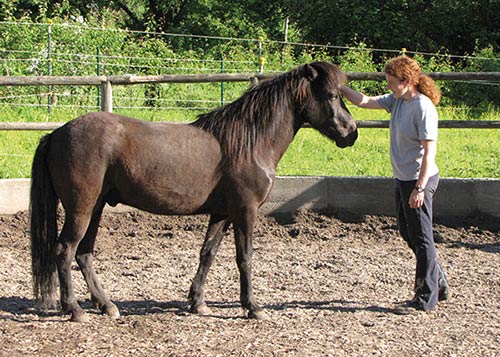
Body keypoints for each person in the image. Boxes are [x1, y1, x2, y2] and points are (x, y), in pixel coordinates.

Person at [340, 55, 449, 313]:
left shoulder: (422, 108)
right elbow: (364, 101)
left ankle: (425, 299)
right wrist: (339, 87)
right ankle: (438, 282)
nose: (388, 86)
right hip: (403, 178)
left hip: (419, 179)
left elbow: (429, 152)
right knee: (408, 233)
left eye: (392, 82)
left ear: (407, 80)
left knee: (422, 238)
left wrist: (420, 188)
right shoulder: (398, 100)